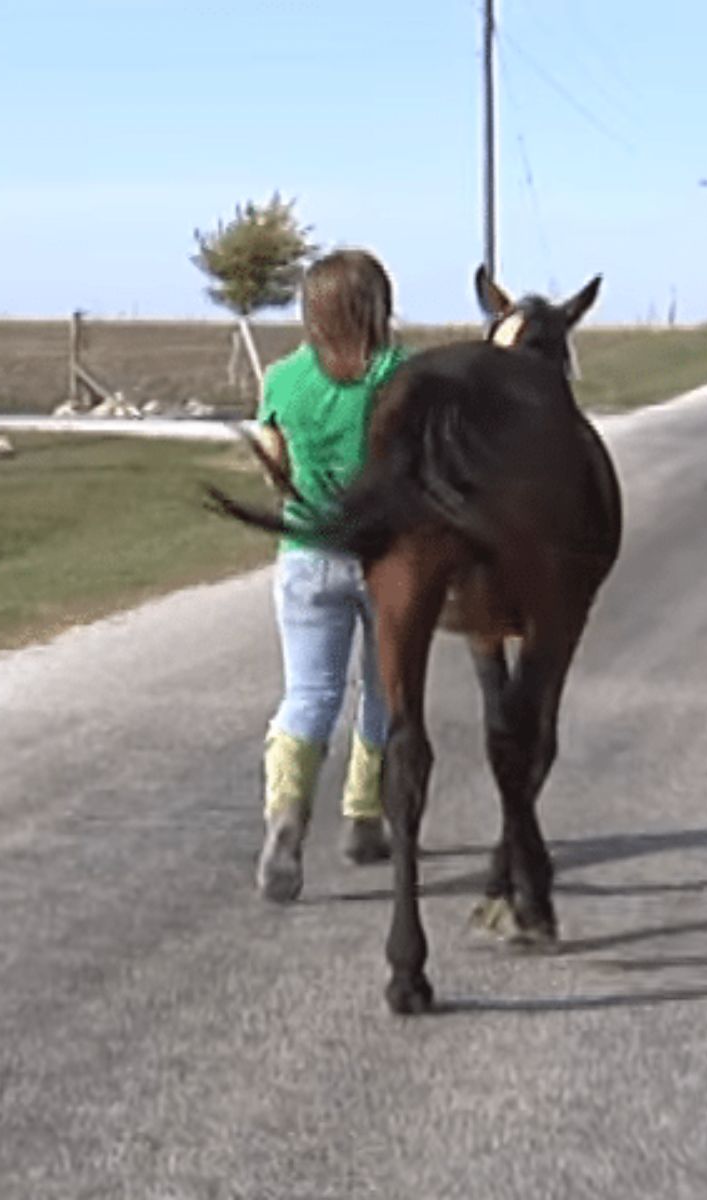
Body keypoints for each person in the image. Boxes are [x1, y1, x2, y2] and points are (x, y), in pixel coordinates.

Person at [253, 248, 408, 903]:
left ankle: (287, 815)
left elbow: (271, 465)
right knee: (383, 695)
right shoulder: (402, 374)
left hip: (307, 553)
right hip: (388, 559)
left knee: (309, 695)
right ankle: (364, 818)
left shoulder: (284, 379)